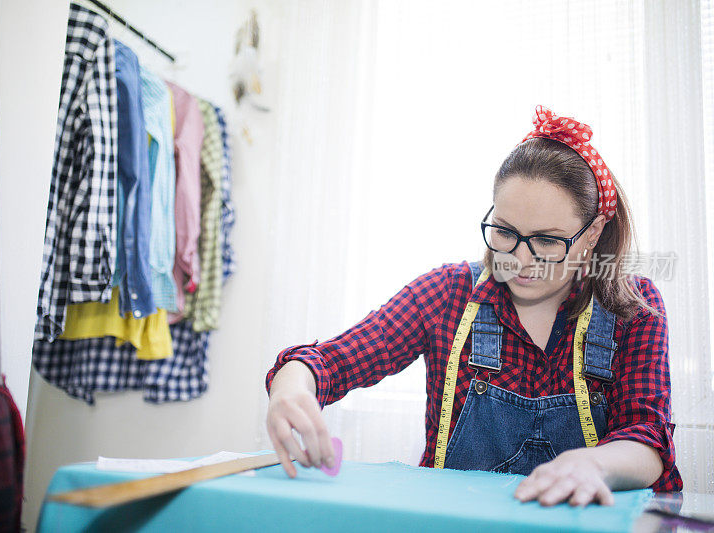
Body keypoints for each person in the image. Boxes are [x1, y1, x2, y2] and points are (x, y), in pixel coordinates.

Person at [264, 105, 683, 507]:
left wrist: (594, 464)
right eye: (504, 231)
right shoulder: (447, 294)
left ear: (592, 234)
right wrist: (293, 387)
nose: (520, 260)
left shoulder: (634, 307)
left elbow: (648, 439)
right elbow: (333, 362)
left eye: (548, 241)